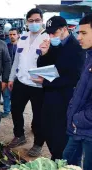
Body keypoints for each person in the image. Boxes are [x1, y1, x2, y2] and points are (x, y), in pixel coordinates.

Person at [35, 16, 85, 160]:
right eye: (49, 33)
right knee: (46, 126)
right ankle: (55, 155)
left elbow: (74, 78)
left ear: (64, 29)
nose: (51, 36)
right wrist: (43, 54)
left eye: (54, 33)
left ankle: (60, 159)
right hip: (49, 95)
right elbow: (44, 67)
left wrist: (45, 82)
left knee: (59, 131)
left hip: (65, 97)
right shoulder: (54, 44)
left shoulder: (77, 48)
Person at [7, 8, 49, 157]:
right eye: (31, 21)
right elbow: (17, 61)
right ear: (26, 22)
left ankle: (38, 143)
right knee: (15, 109)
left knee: (39, 117)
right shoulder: (23, 37)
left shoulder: (47, 38)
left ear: (42, 21)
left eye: (37, 20)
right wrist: (12, 78)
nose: (34, 23)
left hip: (39, 85)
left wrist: (46, 80)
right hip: (21, 81)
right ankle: (19, 135)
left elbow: (52, 63)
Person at [62, 14, 92, 170]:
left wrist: (79, 118)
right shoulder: (89, 56)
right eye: (79, 32)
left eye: (84, 33)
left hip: (86, 128)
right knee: (67, 161)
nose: (79, 37)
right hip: (79, 127)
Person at [0, 28, 19, 118]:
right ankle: (6, 110)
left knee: (16, 95)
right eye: (10, 34)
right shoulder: (6, 46)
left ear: (18, 35)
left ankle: (15, 111)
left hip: (18, 75)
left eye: (14, 34)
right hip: (7, 74)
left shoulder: (21, 47)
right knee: (6, 93)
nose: (12, 36)